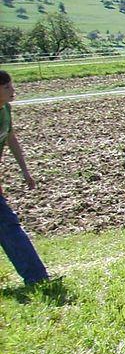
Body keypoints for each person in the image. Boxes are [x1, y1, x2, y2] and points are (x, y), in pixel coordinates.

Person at [0, 70, 49, 286]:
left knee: (6, 225)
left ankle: (36, 276)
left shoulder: (5, 110)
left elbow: (11, 140)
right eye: (7, 87)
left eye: (12, 85)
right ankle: (36, 277)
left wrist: (25, 171)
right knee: (8, 224)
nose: (13, 90)